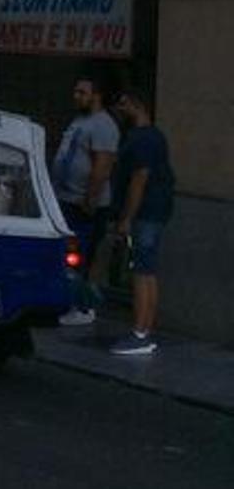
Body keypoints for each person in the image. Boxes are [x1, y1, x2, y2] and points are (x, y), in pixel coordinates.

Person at [106, 88, 175, 357]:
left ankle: (140, 332)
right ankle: (144, 329)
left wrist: (126, 217)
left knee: (141, 271)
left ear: (135, 105)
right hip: (155, 211)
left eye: (123, 105)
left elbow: (139, 178)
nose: (120, 111)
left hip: (145, 213)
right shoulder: (155, 136)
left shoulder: (142, 139)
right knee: (147, 270)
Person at [50, 74, 120, 326]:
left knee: (80, 255)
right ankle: (68, 301)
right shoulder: (81, 121)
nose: (76, 96)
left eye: (82, 92)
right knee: (67, 254)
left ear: (96, 96)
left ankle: (83, 306)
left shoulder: (103, 125)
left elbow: (102, 167)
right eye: (76, 91)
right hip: (67, 197)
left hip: (84, 203)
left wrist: (89, 200)